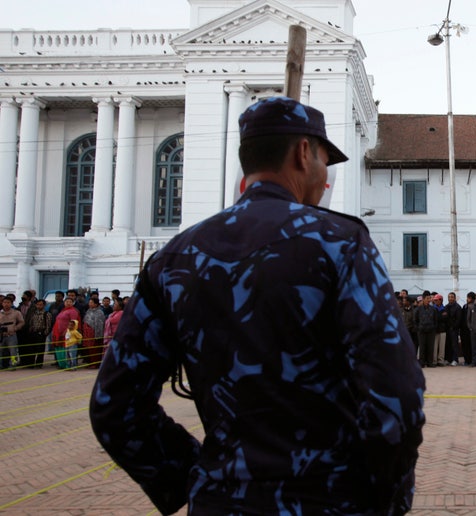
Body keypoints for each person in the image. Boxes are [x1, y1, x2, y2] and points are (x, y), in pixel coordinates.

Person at [89, 97, 425, 515]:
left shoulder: (176, 257)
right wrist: (382, 498)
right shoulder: (338, 242)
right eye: (325, 161)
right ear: (304, 153)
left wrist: (193, 476)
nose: (325, 179)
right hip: (329, 502)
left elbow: (115, 406)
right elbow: (396, 396)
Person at [24, 299, 52, 368]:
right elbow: (31, 323)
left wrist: (45, 334)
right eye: (38, 305)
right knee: (32, 349)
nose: (39, 306)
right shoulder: (34, 313)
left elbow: (48, 325)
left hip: (41, 333)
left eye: (41, 305)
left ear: (44, 305)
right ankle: (31, 363)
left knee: (40, 349)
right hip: (33, 333)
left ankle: (39, 364)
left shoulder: (47, 314)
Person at [0, 297, 25, 369]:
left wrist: (16, 328)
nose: (6, 304)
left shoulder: (16, 313)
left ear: (11, 303)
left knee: (13, 351)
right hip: (1, 335)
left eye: (8, 302)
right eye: (4, 302)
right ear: (2, 303)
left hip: (11, 335)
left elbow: (22, 322)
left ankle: (13, 364)